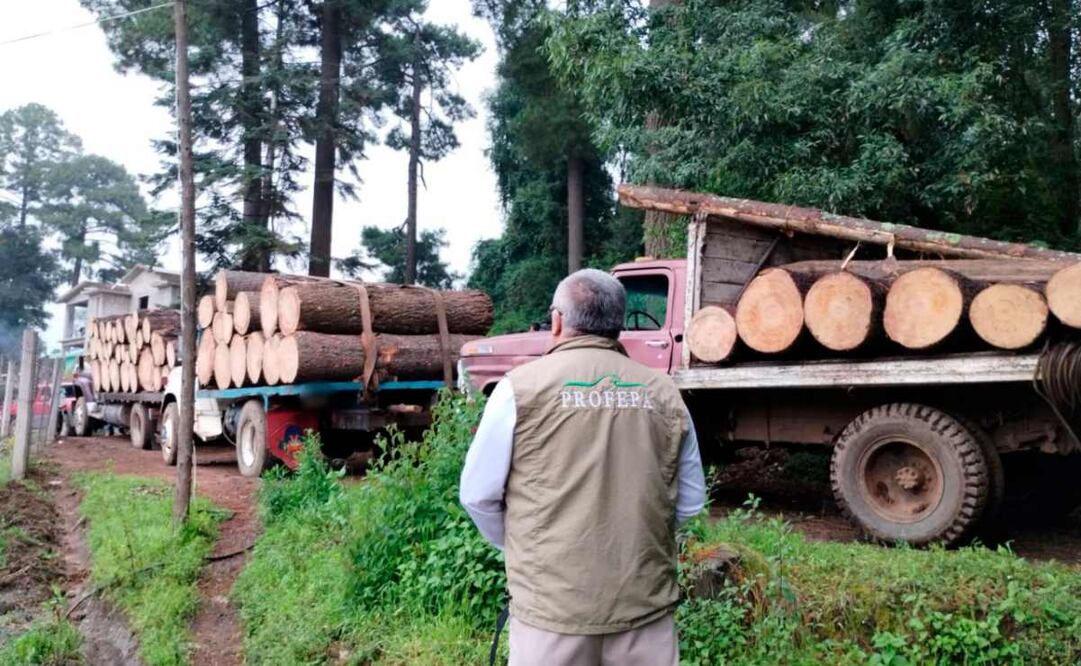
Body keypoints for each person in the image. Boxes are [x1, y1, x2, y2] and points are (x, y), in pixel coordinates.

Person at [460, 268, 707, 666]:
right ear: (618, 323)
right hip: (644, 611)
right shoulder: (664, 393)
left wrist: (529, 547)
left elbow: (477, 496)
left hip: (551, 617)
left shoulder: (517, 389)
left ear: (557, 321)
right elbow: (691, 501)